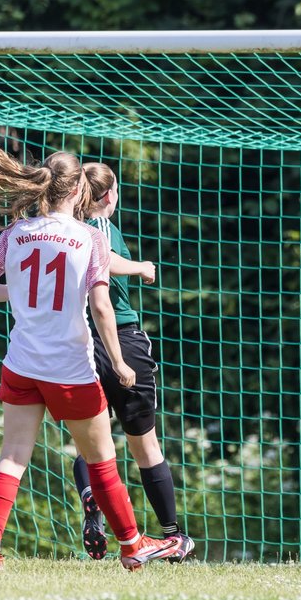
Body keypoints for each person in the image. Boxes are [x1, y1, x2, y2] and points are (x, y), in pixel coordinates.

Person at [0, 145, 184, 571]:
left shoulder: (16, 232)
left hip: (22, 363)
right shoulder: (90, 238)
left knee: (12, 455)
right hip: (70, 369)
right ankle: (133, 546)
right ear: (79, 187)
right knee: (102, 461)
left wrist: (24, 296)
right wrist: (118, 362)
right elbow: (101, 307)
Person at [72, 162, 193, 562]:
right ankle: (173, 536)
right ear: (109, 195)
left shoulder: (64, 230)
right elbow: (103, 261)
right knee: (145, 444)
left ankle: (91, 496)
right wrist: (141, 266)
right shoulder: (97, 226)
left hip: (75, 342)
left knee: (92, 442)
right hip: (118, 340)